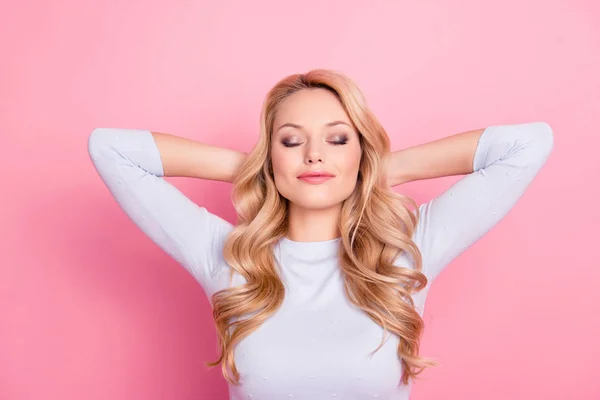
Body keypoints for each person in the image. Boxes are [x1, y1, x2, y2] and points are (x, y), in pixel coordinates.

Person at [87, 69, 554, 400]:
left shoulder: (408, 253)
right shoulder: (228, 258)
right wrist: (258, 171)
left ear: (361, 151)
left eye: (337, 139)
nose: (313, 156)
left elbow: (527, 144)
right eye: (290, 141)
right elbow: (109, 148)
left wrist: (377, 171)